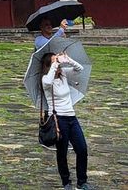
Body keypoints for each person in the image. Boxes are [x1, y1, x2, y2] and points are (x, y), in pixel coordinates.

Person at [41, 52, 91, 190]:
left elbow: (80, 69)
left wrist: (68, 60)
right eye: (54, 62)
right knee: (62, 152)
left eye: (57, 62)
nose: (58, 64)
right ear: (48, 65)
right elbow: (48, 81)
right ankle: (66, 182)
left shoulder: (63, 74)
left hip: (71, 117)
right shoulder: (46, 79)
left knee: (82, 149)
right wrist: (55, 63)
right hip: (58, 119)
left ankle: (82, 182)